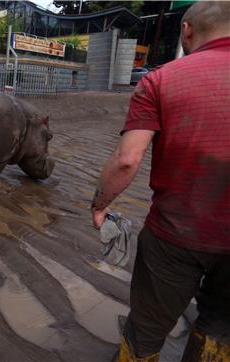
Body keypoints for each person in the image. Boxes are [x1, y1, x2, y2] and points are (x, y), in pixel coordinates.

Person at [90, 2, 230, 361]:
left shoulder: (162, 78)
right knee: (220, 327)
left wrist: (100, 203)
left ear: (186, 30)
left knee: (147, 329)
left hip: (174, 236)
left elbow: (127, 159)